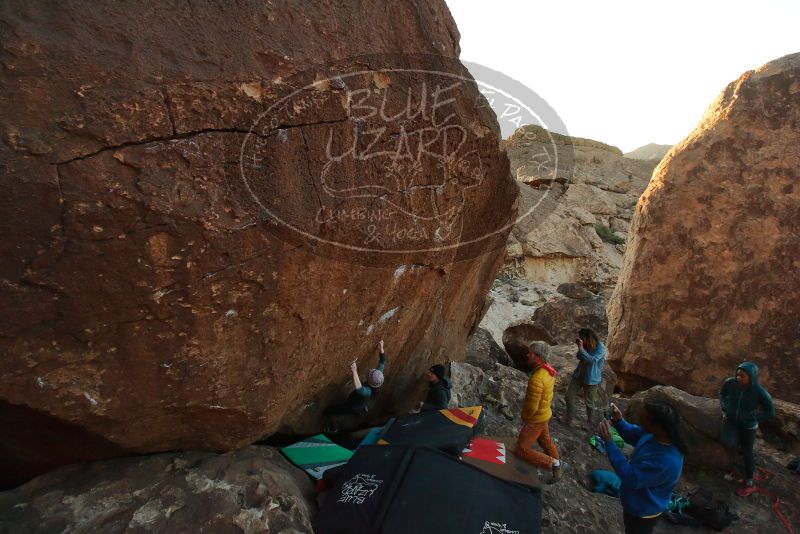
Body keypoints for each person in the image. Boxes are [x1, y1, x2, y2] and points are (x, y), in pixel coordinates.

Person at [599, 401, 687, 534]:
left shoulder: (666, 462)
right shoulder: (655, 435)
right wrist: (619, 421)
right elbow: (635, 433)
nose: (640, 422)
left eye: (644, 420)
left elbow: (631, 477)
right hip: (635, 501)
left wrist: (610, 444)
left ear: (657, 426)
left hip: (642, 512)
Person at [719, 361, 775, 495]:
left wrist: (755, 418)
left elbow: (770, 412)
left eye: (743, 376)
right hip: (730, 420)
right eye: (738, 374)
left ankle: (749, 480)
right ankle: (734, 464)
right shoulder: (730, 383)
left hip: (748, 426)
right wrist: (724, 406)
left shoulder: (760, 392)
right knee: (727, 442)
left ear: (752, 377)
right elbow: (722, 394)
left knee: (747, 452)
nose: (739, 378)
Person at [513, 341, 564, 483]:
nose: (527, 355)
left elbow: (532, 406)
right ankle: (558, 466)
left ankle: (553, 463)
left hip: (536, 419)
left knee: (521, 450)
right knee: (545, 441)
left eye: (530, 353)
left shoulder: (537, 378)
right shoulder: (548, 370)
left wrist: (525, 417)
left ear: (538, 357)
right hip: (544, 414)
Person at [324, 340, 387, 431]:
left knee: (336, 410)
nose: (372, 371)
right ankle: (362, 408)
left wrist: (354, 370)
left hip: (352, 406)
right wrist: (381, 348)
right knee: (360, 403)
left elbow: (359, 389)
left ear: (369, 380)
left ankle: (330, 419)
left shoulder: (367, 391)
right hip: (360, 401)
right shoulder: (378, 376)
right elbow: (382, 361)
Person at [560, 328, 606, 427]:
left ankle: (589, 422)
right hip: (579, 375)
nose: (581, 340)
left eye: (582, 338)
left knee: (589, 402)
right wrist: (581, 348)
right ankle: (569, 416)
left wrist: (581, 349)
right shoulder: (585, 346)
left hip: (591, 378)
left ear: (588, 337)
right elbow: (579, 356)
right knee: (569, 396)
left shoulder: (600, 347)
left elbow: (593, 361)